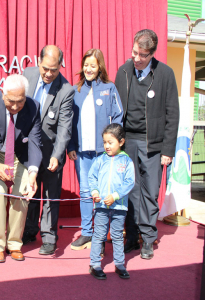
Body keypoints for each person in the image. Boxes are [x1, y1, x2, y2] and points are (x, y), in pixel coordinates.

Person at [115, 29, 179, 259]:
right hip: (128, 141)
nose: (136, 57)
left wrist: (168, 150)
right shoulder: (123, 71)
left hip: (153, 144)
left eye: (142, 54)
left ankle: (148, 239)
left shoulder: (165, 74)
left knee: (150, 193)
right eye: (134, 52)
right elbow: (115, 110)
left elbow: (173, 114)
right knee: (130, 191)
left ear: (152, 54)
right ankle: (131, 236)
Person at [0, 74, 42, 263]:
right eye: (10, 101)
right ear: (3, 94)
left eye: (19, 101)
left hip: (20, 156)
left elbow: (35, 143)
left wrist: (33, 173)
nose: (14, 106)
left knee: (22, 195)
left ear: (25, 97)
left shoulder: (33, 107)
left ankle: (14, 244)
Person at [67, 49, 123, 252]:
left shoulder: (109, 88)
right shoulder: (76, 90)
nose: (88, 69)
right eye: (86, 65)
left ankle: (101, 234)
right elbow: (70, 122)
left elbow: (118, 117)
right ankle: (87, 233)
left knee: (103, 193)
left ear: (100, 67)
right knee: (85, 192)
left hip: (103, 153)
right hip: (82, 153)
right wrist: (71, 146)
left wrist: (112, 145)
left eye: (93, 65)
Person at [22, 45, 74, 255]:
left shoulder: (66, 90)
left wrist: (57, 155)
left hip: (52, 149)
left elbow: (64, 127)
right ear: (38, 61)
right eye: (45, 68)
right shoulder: (28, 74)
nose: (48, 74)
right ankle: (28, 230)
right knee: (30, 193)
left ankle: (49, 237)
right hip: (28, 148)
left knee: (51, 196)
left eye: (54, 69)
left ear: (60, 66)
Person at [88, 124, 135, 280]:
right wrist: (95, 192)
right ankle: (94, 264)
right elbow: (92, 177)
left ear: (121, 142)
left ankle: (120, 263)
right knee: (99, 234)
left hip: (119, 206)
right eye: (105, 142)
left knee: (117, 235)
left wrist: (115, 196)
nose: (107, 146)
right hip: (101, 206)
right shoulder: (100, 160)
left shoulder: (127, 161)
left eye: (110, 142)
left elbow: (129, 182)